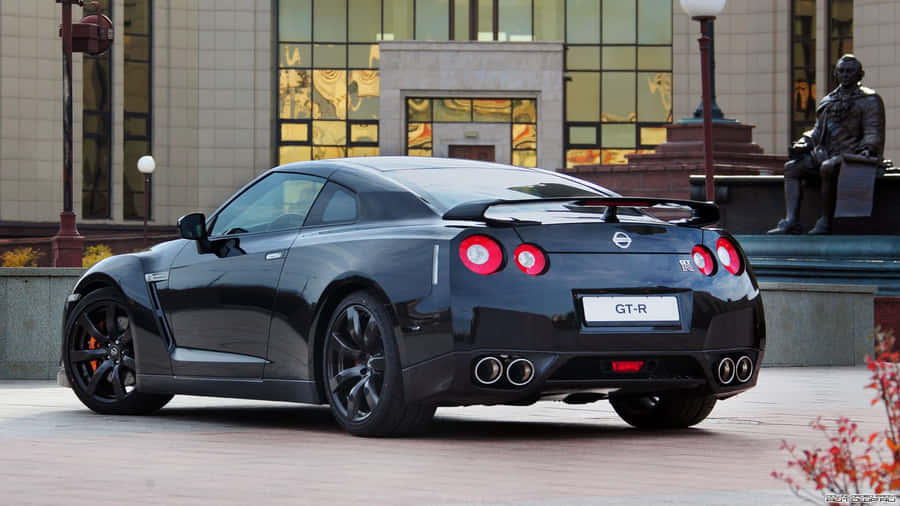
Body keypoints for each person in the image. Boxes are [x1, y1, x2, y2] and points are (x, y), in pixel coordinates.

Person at [768, 54, 885, 235]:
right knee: (792, 168)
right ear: (835, 74)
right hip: (826, 153)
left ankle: (825, 221)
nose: (845, 75)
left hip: (853, 156)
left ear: (860, 75)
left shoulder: (870, 100)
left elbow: (873, 131)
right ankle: (791, 220)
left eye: (850, 71)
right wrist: (803, 143)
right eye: (841, 71)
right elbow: (817, 131)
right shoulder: (828, 101)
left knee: (827, 167)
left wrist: (869, 148)